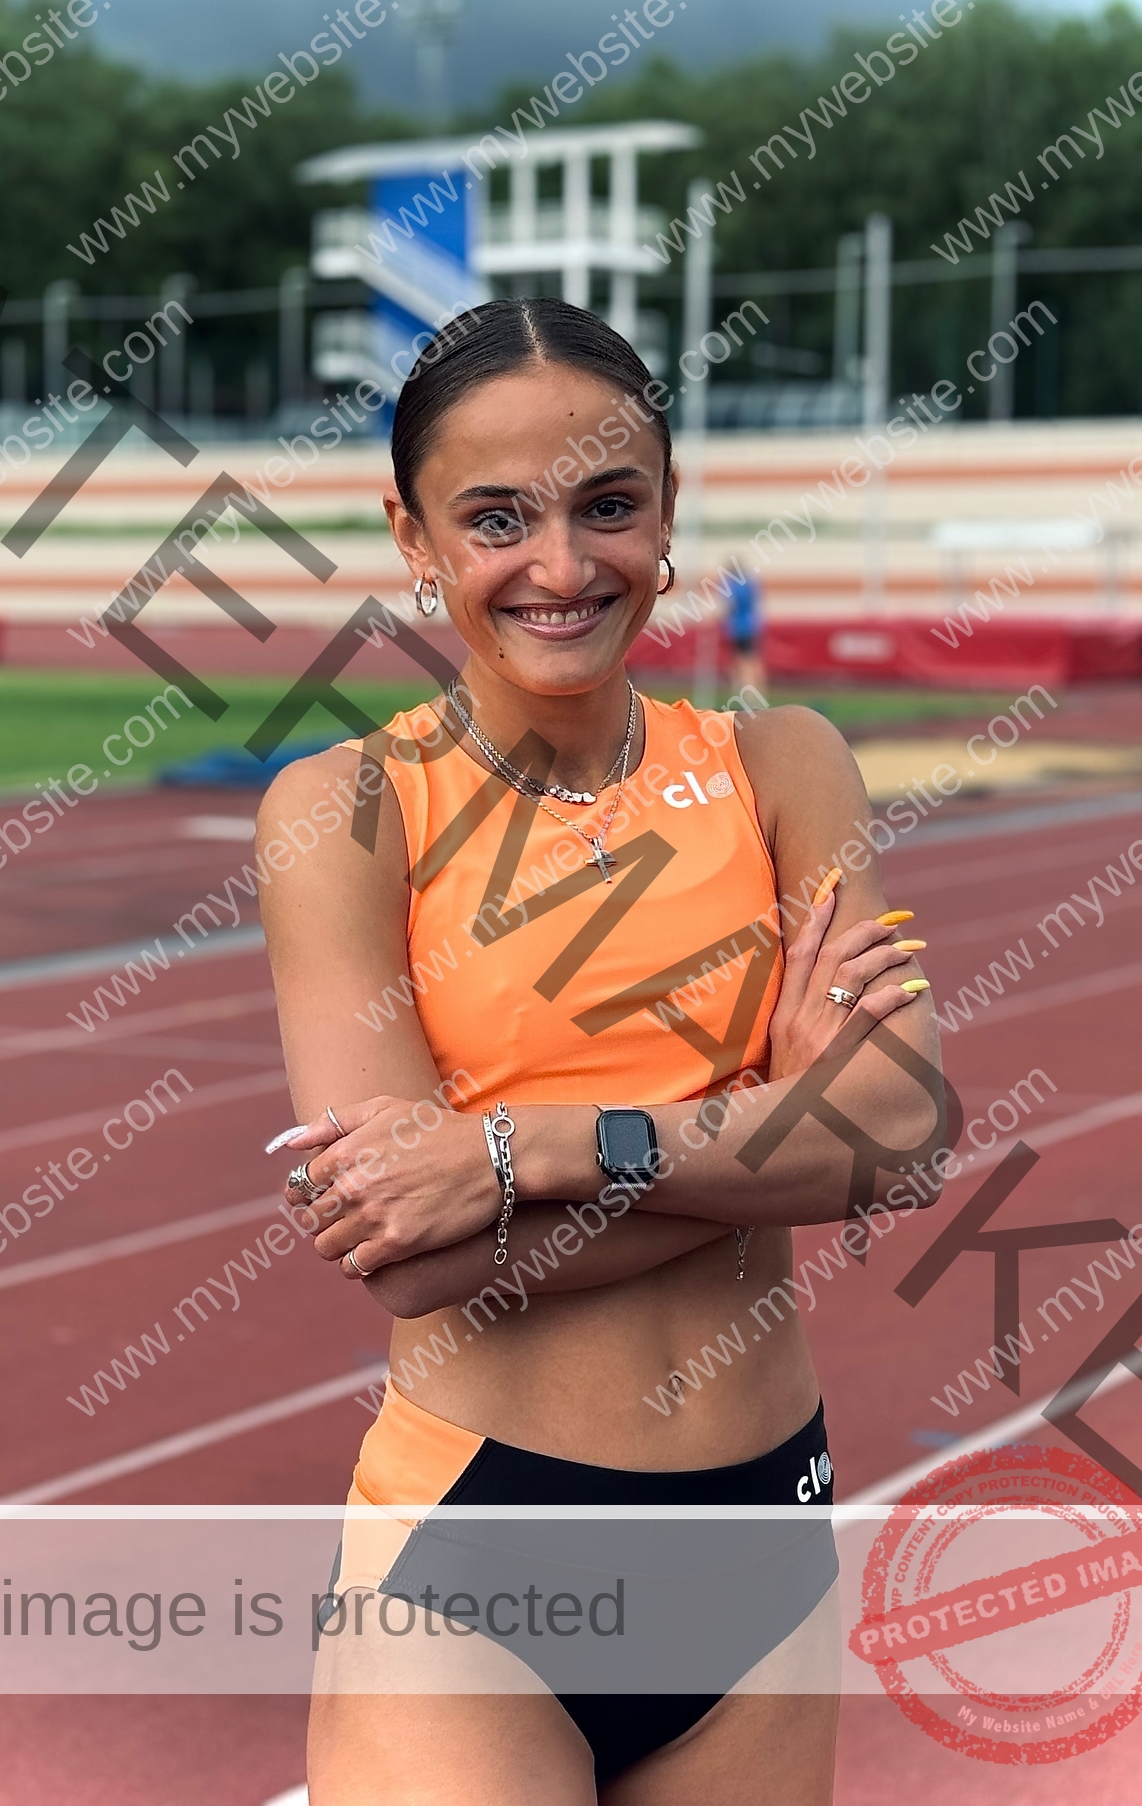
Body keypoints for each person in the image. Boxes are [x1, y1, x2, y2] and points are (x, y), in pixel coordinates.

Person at [258, 300, 943, 1805]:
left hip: (764, 1531)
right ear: (412, 535)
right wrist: (774, 1127)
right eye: (495, 516)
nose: (562, 567)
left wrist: (521, 1152)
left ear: (669, 514)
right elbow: (411, 1253)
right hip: (475, 1560)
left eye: (607, 506)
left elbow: (902, 1130)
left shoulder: (786, 768)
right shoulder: (346, 811)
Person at [725, 560, 767, 701]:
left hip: (739, 627)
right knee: (751, 659)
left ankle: (746, 690)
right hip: (751, 625)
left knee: (743, 661)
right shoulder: (750, 583)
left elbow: (732, 605)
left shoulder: (735, 585)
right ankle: (755, 689)